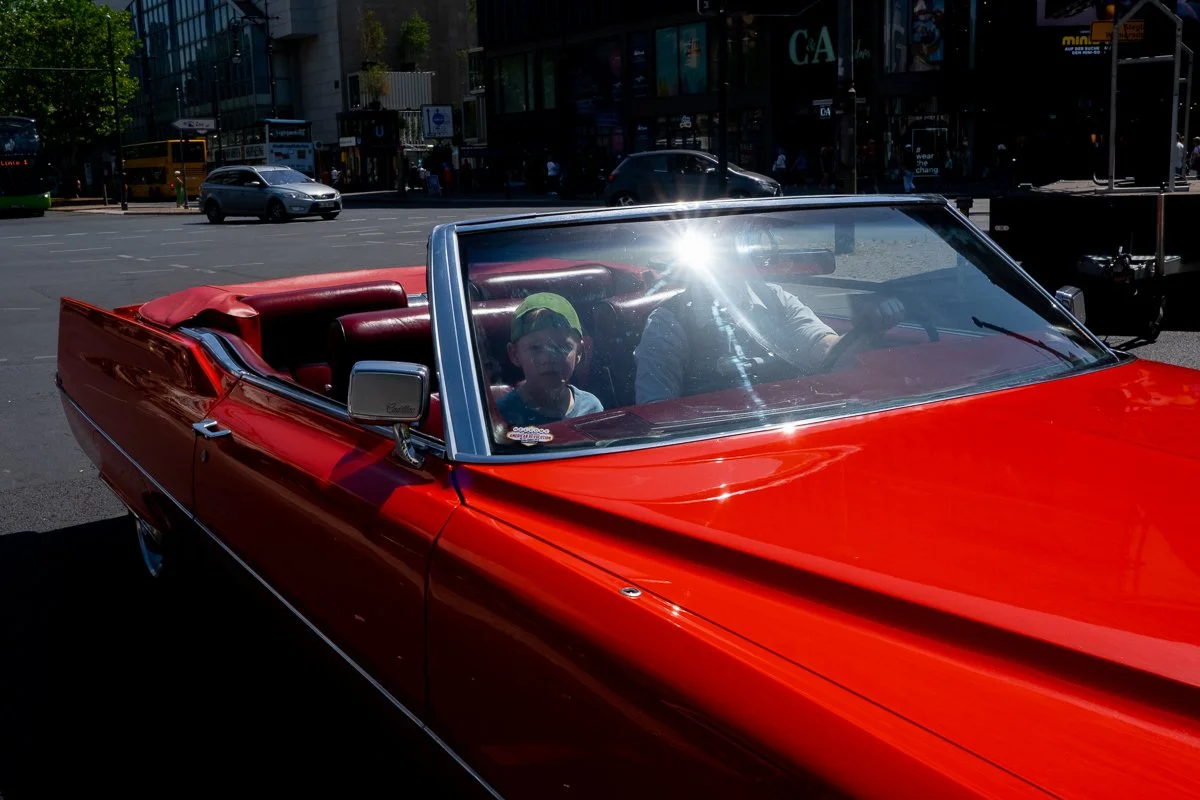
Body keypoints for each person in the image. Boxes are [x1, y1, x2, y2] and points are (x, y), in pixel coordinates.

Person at [634, 218, 904, 405]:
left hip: (793, 429)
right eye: (722, 252)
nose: (736, 260)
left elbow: (826, 350)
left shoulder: (776, 299)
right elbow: (657, 413)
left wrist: (866, 327)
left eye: (741, 248)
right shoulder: (667, 324)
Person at [497, 293, 604, 426]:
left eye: (561, 347)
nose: (548, 358)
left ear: (579, 352)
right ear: (514, 354)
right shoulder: (502, 416)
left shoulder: (591, 408)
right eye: (535, 348)